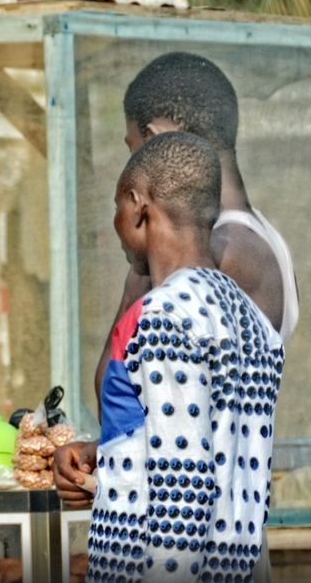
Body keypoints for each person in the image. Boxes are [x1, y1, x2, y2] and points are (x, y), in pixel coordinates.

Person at [53, 52, 299, 506]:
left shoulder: (211, 256)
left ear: (159, 137)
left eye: (134, 150)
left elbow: (115, 384)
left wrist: (143, 252)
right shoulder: (263, 239)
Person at [87, 130, 283, 582]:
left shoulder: (161, 317)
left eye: (117, 208)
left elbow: (183, 493)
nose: (115, 223)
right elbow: (204, 442)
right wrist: (109, 453)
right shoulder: (251, 318)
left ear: (138, 205)